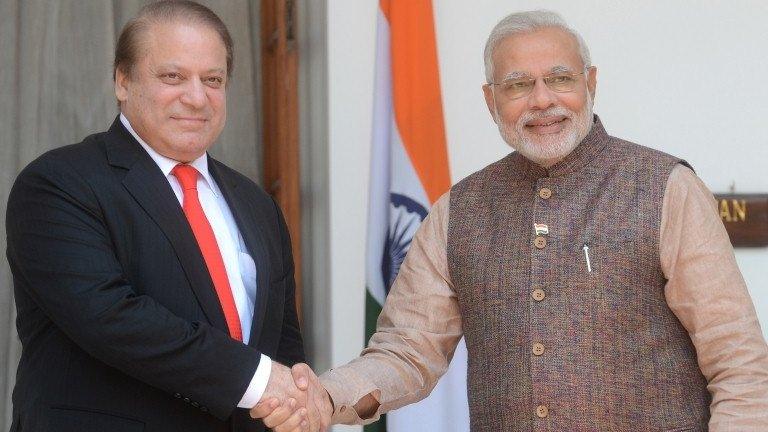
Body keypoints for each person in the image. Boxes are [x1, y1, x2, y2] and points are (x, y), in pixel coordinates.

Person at [255, 9, 768, 432]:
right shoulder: (461, 210)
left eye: (560, 79)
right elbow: (407, 350)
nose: (542, 100)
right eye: (518, 84)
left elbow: (740, 365)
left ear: (591, 83)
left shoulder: (665, 189)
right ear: (490, 100)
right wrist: (325, 394)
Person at [5, 1, 322, 431]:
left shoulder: (257, 205)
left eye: (213, 80)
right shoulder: (60, 183)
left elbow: (281, 341)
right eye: (172, 77)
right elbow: (110, 316)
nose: (196, 97)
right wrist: (260, 379)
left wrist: (294, 400)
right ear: (122, 80)